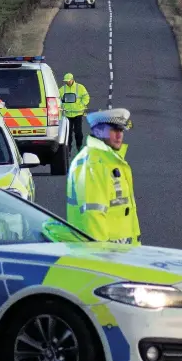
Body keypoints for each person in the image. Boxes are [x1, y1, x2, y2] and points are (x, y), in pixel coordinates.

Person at [66, 107, 140, 245]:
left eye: (121, 130)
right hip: (104, 256)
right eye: (114, 130)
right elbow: (92, 216)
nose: (119, 136)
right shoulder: (93, 164)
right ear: (98, 131)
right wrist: (102, 259)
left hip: (120, 254)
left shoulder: (110, 161)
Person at [58, 73, 90, 152]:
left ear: (72, 79)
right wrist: (61, 107)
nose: (67, 82)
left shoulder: (80, 87)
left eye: (68, 81)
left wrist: (81, 105)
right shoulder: (62, 89)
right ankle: (68, 149)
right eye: (66, 81)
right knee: (68, 134)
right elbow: (58, 100)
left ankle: (79, 146)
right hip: (67, 114)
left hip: (78, 114)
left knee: (78, 132)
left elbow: (86, 97)